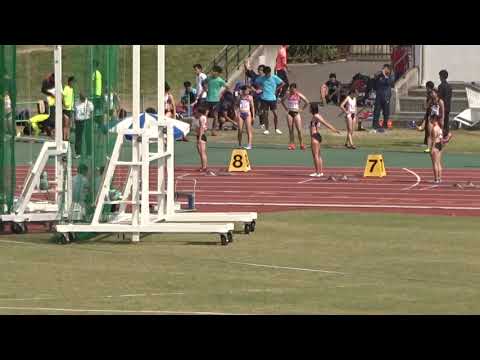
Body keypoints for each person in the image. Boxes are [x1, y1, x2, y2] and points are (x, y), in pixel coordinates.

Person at [309, 103, 341, 177]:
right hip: (318, 136)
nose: (309, 109)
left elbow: (325, 123)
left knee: (315, 155)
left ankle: (317, 172)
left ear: (312, 109)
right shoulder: (317, 115)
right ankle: (320, 172)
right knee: (318, 155)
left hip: (314, 136)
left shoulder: (316, 116)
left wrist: (334, 129)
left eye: (310, 108)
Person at [255, 66, 285, 135]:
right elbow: (256, 83)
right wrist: (260, 88)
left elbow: (283, 83)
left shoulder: (274, 77)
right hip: (264, 98)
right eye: (266, 73)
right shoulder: (261, 78)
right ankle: (267, 129)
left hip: (272, 99)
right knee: (266, 114)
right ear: (264, 73)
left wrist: (276, 89)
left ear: (270, 72)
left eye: (268, 73)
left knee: (275, 114)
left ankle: (276, 128)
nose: (267, 75)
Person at [281, 83, 310, 150]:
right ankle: (292, 144)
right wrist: (285, 108)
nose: (292, 91)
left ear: (295, 89)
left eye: (293, 90)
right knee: (291, 130)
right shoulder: (288, 94)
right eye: (291, 89)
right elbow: (282, 101)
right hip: (289, 113)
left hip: (296, 113)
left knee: (299, 130)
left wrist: (302, 109)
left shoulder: (298, 94)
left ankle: (302, 144)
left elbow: (307, 102)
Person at [204, 65, 226, 136]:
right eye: (212, 71)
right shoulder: (209, 78)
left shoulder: (220, 80)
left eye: (214, 71)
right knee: (205, 114)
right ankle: (203, 127)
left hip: (216, 100)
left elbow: (227, 87)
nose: (212, 72)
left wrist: (221, 93)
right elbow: (203, 82)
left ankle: (213, 130)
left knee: (215, 115)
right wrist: (205, 89)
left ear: (218, 73)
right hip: (208, 99)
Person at [372, 64, 394, 132]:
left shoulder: (390, 76)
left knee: (386, 112)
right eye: (384, 68)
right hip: (379, 95)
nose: (384, 70)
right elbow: (375, 82)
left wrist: (385, 75)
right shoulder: (380, 76)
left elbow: (389, 83)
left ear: (389, 70)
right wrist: (376, 75)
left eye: (386, 68)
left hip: (386, 96)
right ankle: (375, 124)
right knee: (377, 111)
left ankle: (385, 124)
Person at [193, 106, 214, 175]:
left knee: (202, 152)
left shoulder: (202, 118)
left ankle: (204, 167)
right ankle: (203, 166)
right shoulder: (199, 117)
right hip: (198, 135)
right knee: (200, 152)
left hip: (201, 136)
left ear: (199, 112)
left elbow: (202, 127)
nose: (195, 112)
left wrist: (200, 138)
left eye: (196, 111)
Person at [416, 81, 435, 152]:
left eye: (427, 87)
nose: (426, 89)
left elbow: (427, 105)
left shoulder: (432, 94)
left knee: (432, 131)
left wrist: (425, 104)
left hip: (433, 114)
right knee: (429, 131)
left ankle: (432, 146)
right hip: (429, 113)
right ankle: (428, 146)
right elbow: (427, 106)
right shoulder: (429, 94)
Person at [74, 93, 94, 158]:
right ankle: (78, 153)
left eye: (84, 98)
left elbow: (92, 111)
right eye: (81, 97)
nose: (82, 99)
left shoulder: (89, 103)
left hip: (86, 121)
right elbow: (74, 112)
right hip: (78, 121)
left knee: (88, 137)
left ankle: (89, 153)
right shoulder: (76, 102)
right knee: (78, 138)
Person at [236, 85, 255, 150]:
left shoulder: (250, 97)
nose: (247, 91)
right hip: (240, 114)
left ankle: (249, 144)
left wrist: (253, 116)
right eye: (246, 90)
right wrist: (237, 114)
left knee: (248, 130)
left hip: (247, 114)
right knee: (240, 130)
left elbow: (252, 107)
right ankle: (239, 144)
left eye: (248, 90)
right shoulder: (239, 97)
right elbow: (237, 106)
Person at [426, 89, 445, 153]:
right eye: (431, 93)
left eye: (433, 93)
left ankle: (440, 147)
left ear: (436, 93)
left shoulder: (440, 101)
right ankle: (430, 148)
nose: (431, 94)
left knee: (439, 135)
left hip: (438, 119)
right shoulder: (431, 100)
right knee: (430, 133)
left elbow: (443, 112)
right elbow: (426, 107)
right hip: (431, 119)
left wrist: (442, 120)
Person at [438, 69, 453, 142]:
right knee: (446, 122)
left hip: (442, 107)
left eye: (440, 76)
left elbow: (439, 97)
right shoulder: (449, 86)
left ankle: (442, 136)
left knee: (441, 122)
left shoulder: (441, 86)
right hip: (448, 106)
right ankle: (446, 136)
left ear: (441, 76)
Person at [430, 116, 444, 184]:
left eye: (431, 119)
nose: (430, 120)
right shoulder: (439, 128)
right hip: (439, 145)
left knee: (434, 163)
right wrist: (442, 146)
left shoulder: (434, 128)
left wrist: (432, 149)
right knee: (439, 163)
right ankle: (440, 178)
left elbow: (434, 139)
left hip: (435, 145)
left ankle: (436, 179)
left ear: (434, 120)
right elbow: (441, 138)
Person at [62, 76, 75, 141]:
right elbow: (62, 96)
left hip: (71, 109)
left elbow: (72, 98)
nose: (73, 83)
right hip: (66, 109)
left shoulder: (72, 89)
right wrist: (64, 104)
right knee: (65, 124)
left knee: (69, 125)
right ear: (69, 82)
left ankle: (68, 137)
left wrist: (73, 106)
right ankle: (64, 137)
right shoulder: (66, 88)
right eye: (72, 82)